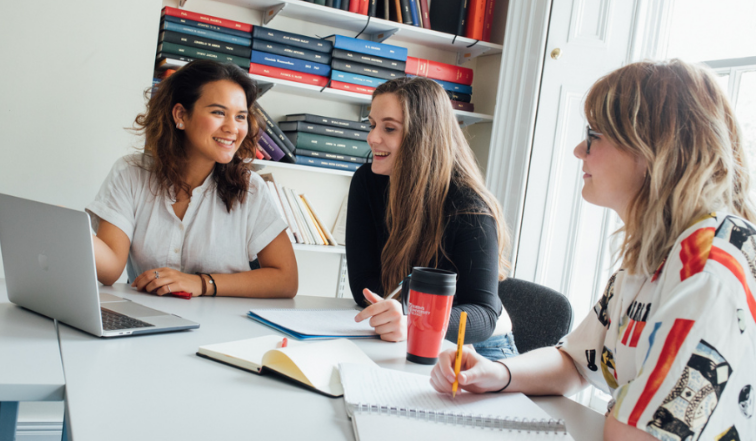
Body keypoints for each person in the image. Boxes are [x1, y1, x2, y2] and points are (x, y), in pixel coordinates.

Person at [430, 59, 756, 440]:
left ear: (653, 147)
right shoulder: (654, 251)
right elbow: (576, 362)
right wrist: (497, 372)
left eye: (593, 135)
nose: (577, 150)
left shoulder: (707, 268)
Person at [87, 60, 298, 298]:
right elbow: (110, 270)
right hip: (148, 321)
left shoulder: (251, 189)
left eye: (240, 116)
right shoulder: (130, 173)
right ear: (180, 115)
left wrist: (201, 283)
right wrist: (72, 230)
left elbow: (286, 279)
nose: (232, 128)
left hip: (225, 325)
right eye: (218, 112)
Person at [346, 76, 517, 360]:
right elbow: (363, 285)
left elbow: (484, 314)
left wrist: (413, 319)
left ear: (423, 135)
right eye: (372, 125)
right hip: (403, 336)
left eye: (389, 128)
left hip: (479, 349)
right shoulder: (368, 183)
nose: (372, 138)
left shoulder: (469, 206)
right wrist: (404, 318)